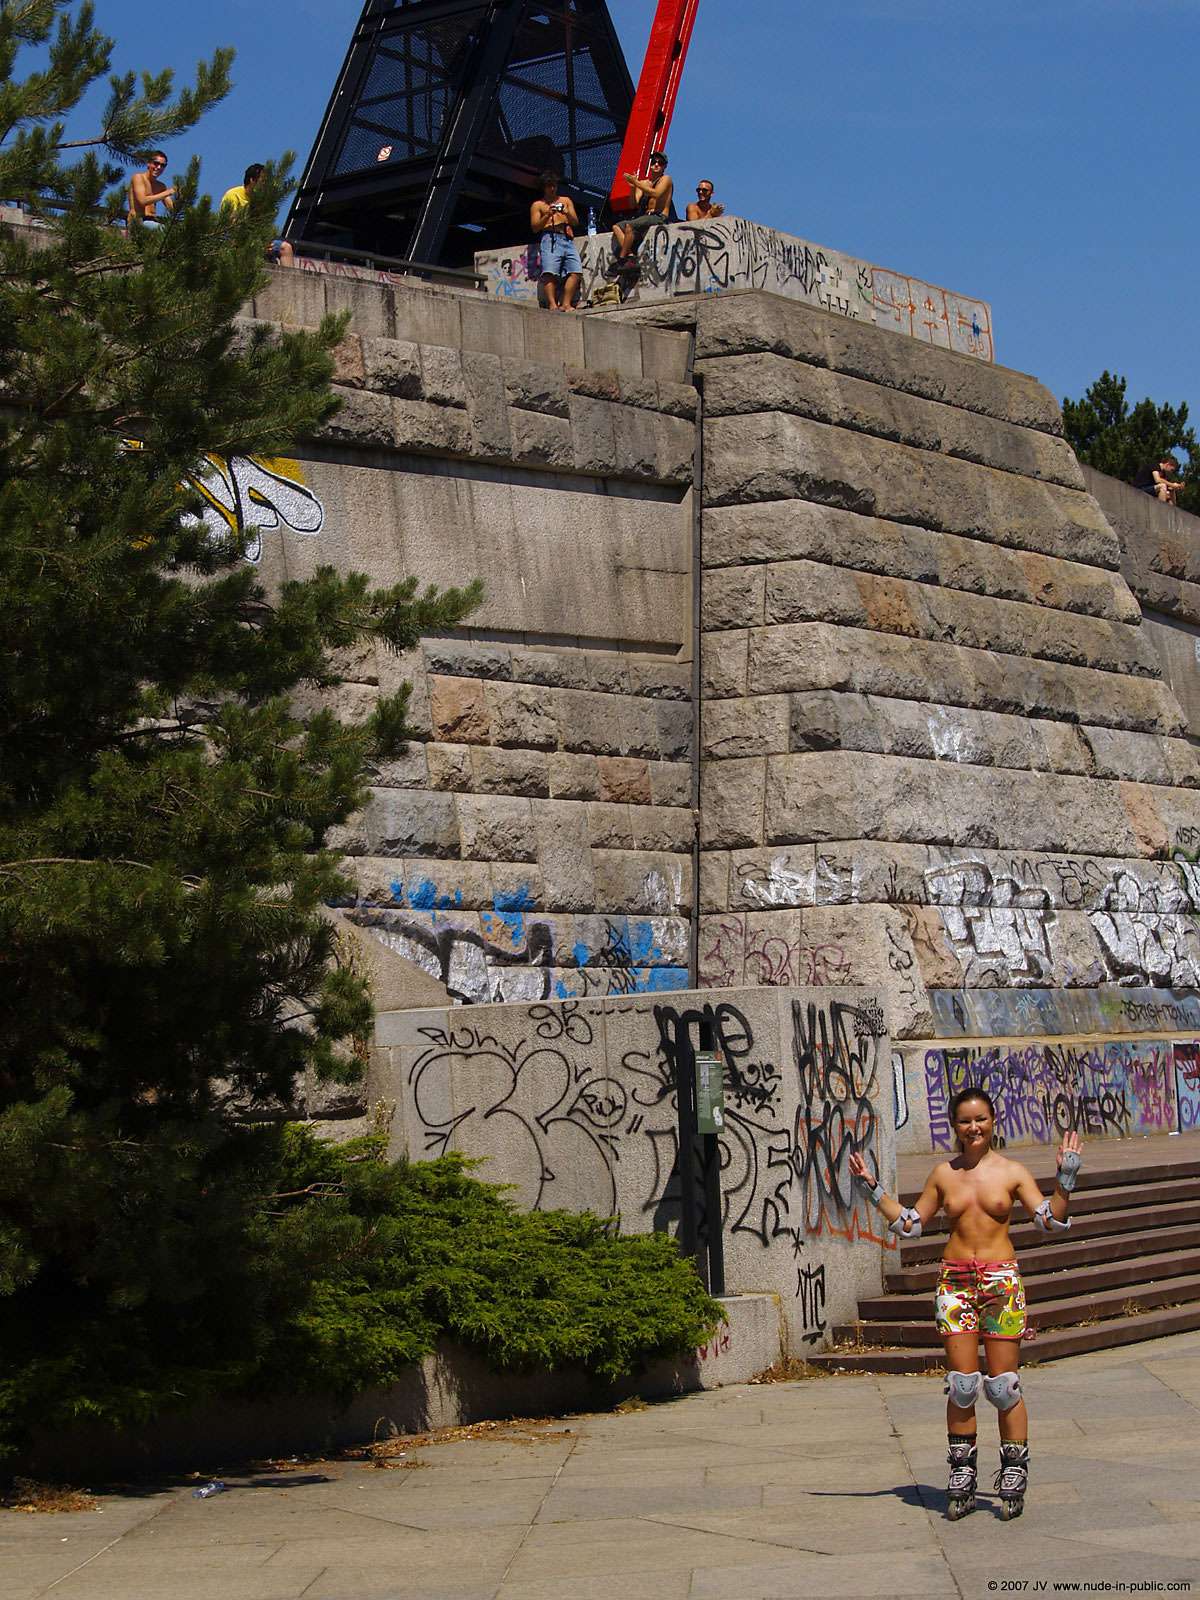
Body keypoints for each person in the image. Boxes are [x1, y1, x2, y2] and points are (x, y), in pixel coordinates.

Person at [849, 1090, 1083, 1522]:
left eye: (980, 1119)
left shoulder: (1012, 1172)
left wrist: (1065, 1181)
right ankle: (962, 1474)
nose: (973, 1128)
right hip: (955, 1282)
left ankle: (1013, 1470)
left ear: (993, 1121)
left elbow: (1049, 1220)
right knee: (961, 1385)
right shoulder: (944, 1174)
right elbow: (911, 1224)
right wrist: (873, 1190)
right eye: (964, 1121)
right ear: (954, 1126)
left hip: (1000, 1282)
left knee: (1004, 1386)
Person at [220, 165, 295, 267]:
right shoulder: (233, 195)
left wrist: (264, 241)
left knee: (286, 248)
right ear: (252, 180)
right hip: (234, 239)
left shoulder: (263, 201)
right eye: (263, 181)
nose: (266, 185)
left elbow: (264, 227)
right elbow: (233, 225)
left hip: (257, 240)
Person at [529, 171, 581, 311]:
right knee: (549, 272)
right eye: (549, 186)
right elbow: (535, 227)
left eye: (554, 185)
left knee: (575, 271)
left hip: (566, 238)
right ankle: (553, 304)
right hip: (549, 238)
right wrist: (547, 215)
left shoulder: (566, 200)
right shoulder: (537, 205)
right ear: (544, 187)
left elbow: (575, 221)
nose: (552, 189)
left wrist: (566, 213)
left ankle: (566, 303)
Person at [612, 150, 673, 266]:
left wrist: (636, 183)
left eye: (660, 163)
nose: (656, 165)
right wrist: (632, 188)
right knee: (617, 227)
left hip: (659, 216)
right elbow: (633, 204)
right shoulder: (644, 183)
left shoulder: (666, 179)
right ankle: (630, 255)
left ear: (664, 166)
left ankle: (622, 259)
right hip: (645, 217)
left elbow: (656, 193)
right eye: (654, 162)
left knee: (630, 226)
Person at [127, 152, 174, 228]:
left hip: (152, 222)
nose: (159, 167)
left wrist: (181, 196)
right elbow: (142, 201)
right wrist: (168, 192)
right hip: (138, 221)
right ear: (148, 163)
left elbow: (172, 208)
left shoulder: (161, 186)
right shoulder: (138, 178)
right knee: (164, 230)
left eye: (162, 165)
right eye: (156, 163)